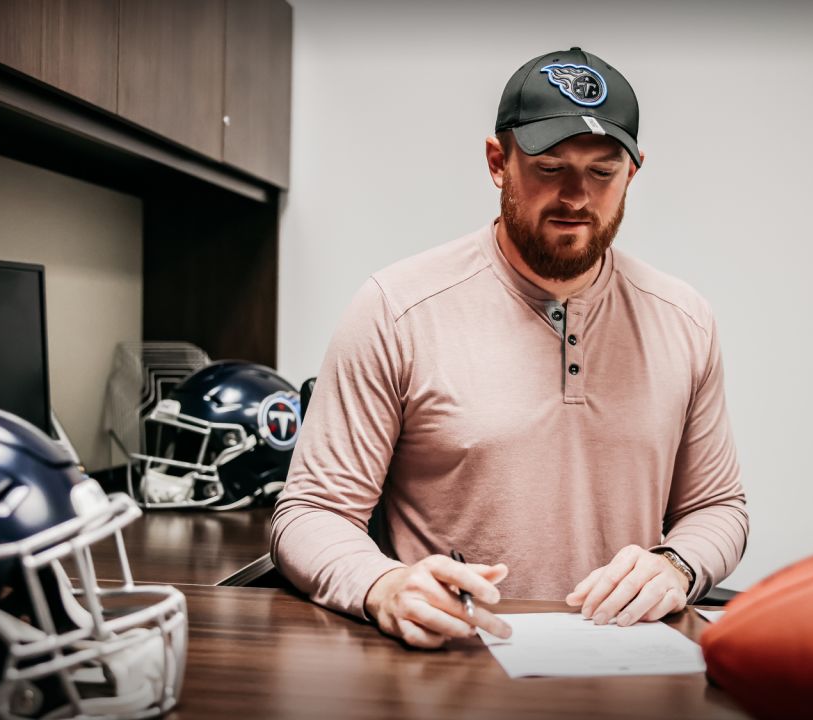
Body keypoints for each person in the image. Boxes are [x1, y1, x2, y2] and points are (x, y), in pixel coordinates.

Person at [271, 47, 748, 649]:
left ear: (633, 172)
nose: (577, 196)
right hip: (453, 661)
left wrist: (677, 564)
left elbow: (719, 507)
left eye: (602, 172)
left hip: (629, 665)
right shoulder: (396, 309)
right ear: (499, 162)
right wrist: (383, 585)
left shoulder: (685, 320)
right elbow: (309, 514)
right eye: (550, 167)